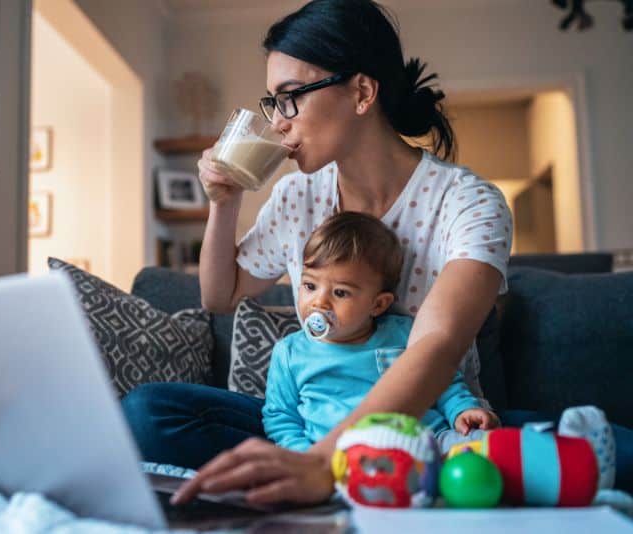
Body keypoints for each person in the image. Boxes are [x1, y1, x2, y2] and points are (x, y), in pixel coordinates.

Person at [122, 0, 632, 505]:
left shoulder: (469, 203)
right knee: (149, 413)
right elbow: (220, 296)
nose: (278, 122)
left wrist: (325, 463)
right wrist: (224, 203)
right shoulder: (297, 197)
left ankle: (394, 473)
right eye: (272, 102)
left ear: (362, 92)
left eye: (291, 96)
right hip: (313, 423)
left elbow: (434, 347)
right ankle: (337, 474)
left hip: (433, 426)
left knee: (617, 453)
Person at [262, 211, 499, 455]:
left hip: (427, 442)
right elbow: (281, 418)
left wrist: (462, 410)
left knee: (488, 447)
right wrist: (305, 458)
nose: (319, 302)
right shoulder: (290, 353)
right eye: (310, 286)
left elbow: (442, 382)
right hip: (339, 458)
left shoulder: (406, 333)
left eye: (341, 293)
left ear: (378, 304)